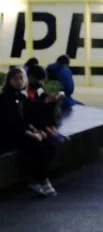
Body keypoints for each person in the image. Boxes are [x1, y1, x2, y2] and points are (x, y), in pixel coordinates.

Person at [0, 67, 58, 196]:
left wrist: (37, 131)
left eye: (21, 78)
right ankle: (42, 180)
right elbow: (10, 123)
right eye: (15, 79)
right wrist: (31, 134)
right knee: (36, 147)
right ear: (9, 81)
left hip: (24, 132)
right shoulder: (4, 99)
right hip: (11, 135)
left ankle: (38, 178)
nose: (19, 81)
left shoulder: (22, 97)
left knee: (49, 146)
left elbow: (28, 117)